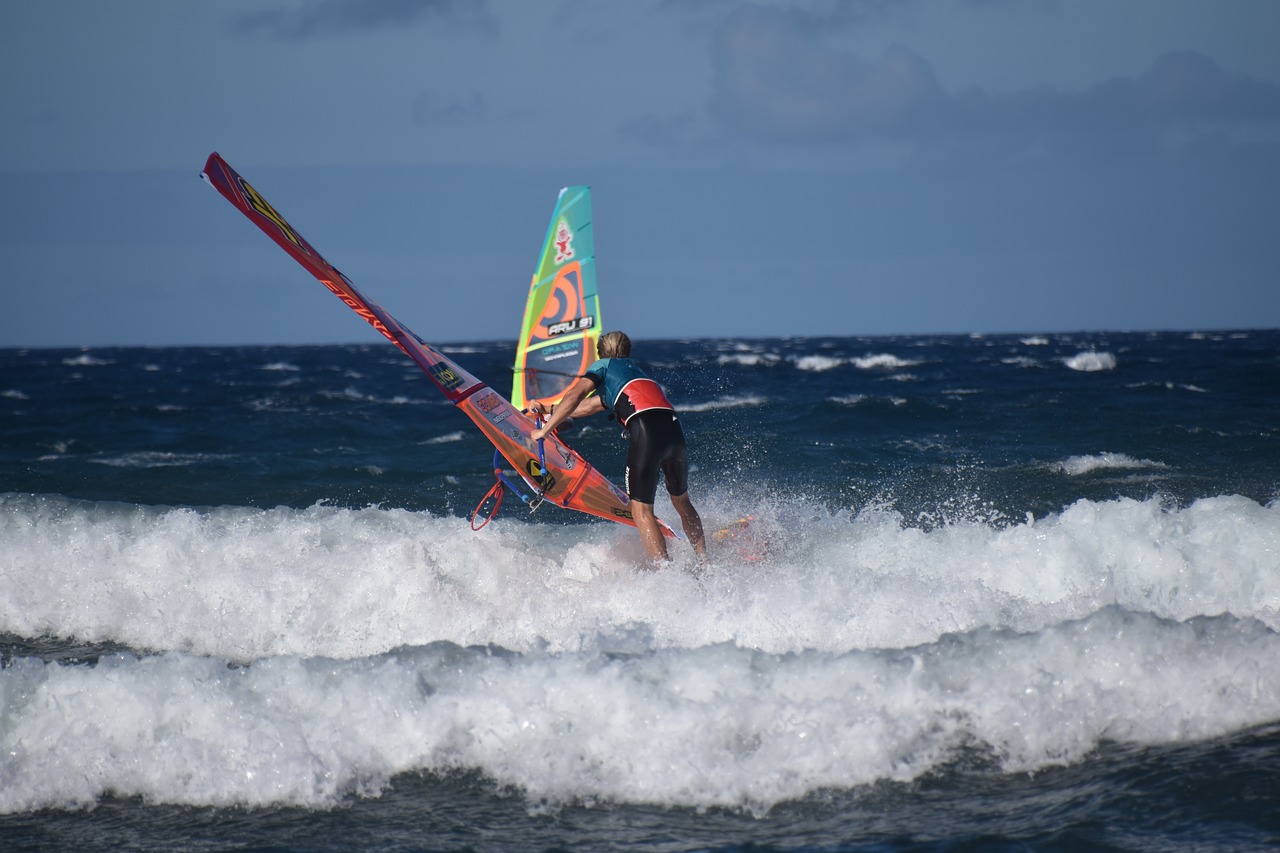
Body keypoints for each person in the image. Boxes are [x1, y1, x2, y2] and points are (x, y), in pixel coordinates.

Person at [530, 331, 706, 563]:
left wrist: (544, 429)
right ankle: (705, 563)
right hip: (674, 432)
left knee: (641, 511)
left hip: (647, 432)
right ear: (627, 351)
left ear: (601, 353)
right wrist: (547, 409)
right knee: (681, 502)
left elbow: (574, 396)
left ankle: (666, 575)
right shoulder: (635, 373)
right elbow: (589, 406)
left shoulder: (603, 366)